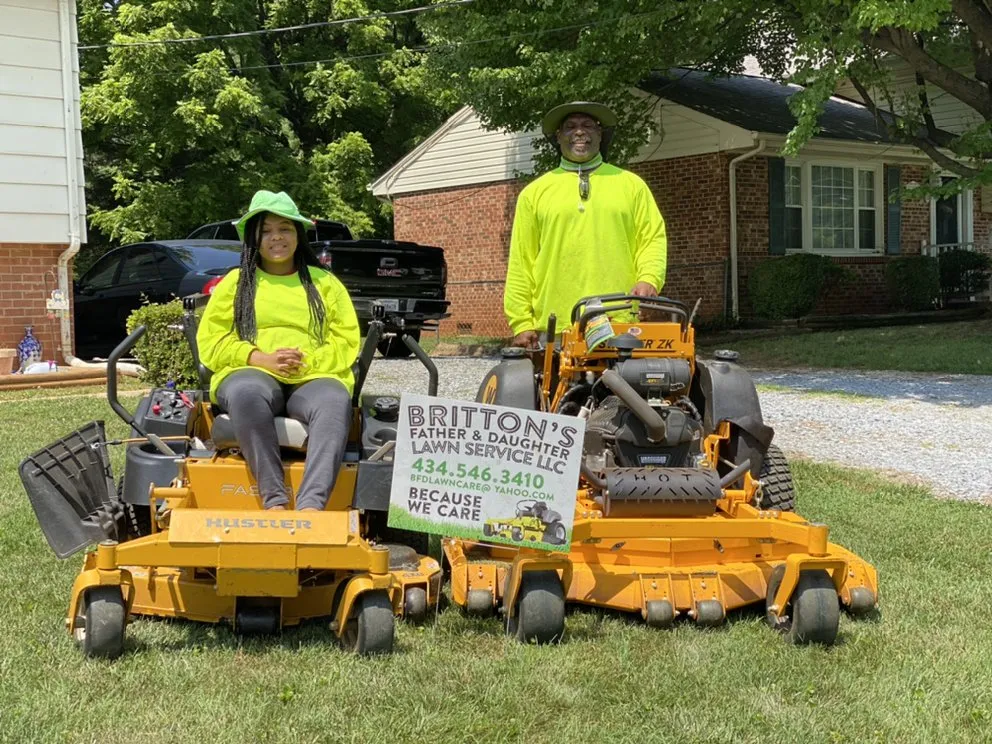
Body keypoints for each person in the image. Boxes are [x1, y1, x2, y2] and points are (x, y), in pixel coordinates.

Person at [197, 190, 360, 511]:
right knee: (246, 393)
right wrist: (260, 358)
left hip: (312, 377)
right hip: (252, 373)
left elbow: (346, 341)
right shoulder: (235, 284)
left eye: (285, 228)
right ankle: (274, 501)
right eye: (266, 231)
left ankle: (312, 507)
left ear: (298, 235)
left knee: (334, 400)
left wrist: (305, 363)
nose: (276, 237)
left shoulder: (325, 284)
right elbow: (212, 342)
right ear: (253, 239)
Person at [504, 101, 668, 348]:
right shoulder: (534, 194)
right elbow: (521, 261)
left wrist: (649, 279)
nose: (579, 132)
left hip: (620, 321)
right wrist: (521, 322)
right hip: (555, 327)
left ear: (600, 134)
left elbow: (652, 239)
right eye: (570, 126)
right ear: (558, 136)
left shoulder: (632, 185)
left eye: (588, 125)